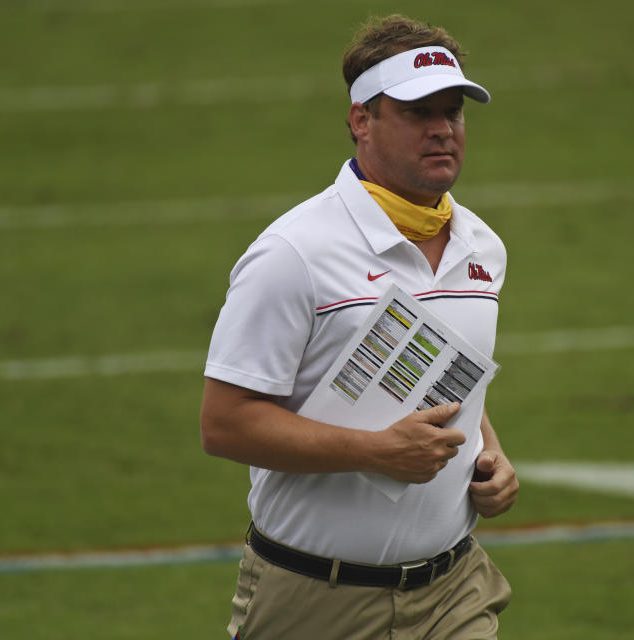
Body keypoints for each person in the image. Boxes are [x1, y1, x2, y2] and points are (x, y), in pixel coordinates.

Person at [200, 14, 517, 640]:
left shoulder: (483, 248)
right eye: (417, 112)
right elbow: (224, 423)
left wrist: (490, 452)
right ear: (360, 121)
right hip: (316, 598)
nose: (442, 130)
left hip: (454, 591)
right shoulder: (294, 253)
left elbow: (450, 372)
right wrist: (376, 452)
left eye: (452, 112)